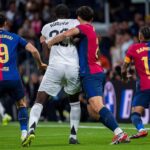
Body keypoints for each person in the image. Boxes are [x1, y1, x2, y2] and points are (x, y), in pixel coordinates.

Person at [47, 6, 130, 145]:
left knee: (97, 106)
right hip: (94, 72)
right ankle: (119, 132)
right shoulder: (91, 30)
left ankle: (120, 133)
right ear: (91, 19)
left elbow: (65, 34)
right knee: (93, 111)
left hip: (91, 73)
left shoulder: (84, 28)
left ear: (78, 18)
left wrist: (50, 42)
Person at [22, 4, 81, 146]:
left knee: (39, 100)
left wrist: (45, 63)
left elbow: (44, 49)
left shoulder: (47, 27)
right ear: (68, 14)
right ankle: (73, 135)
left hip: (55, 65)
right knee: (74, 102)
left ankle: (31, 129)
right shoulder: (75, 23)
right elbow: (80, 39)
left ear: (55, 14)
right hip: (73, 65)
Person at [0, 13, 47, 145]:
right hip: (13, 78)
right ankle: (24, 133)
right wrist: (40, 64)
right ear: (5, 24)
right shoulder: (14, 37)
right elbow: (34, 51)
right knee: (21, 104)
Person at [122, 26, 150, 139]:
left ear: (140, 36)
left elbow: (124, 68)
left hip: (145, 85)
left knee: (135, 113)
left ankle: (141, 129)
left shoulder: (133, 48)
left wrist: (125, 77)